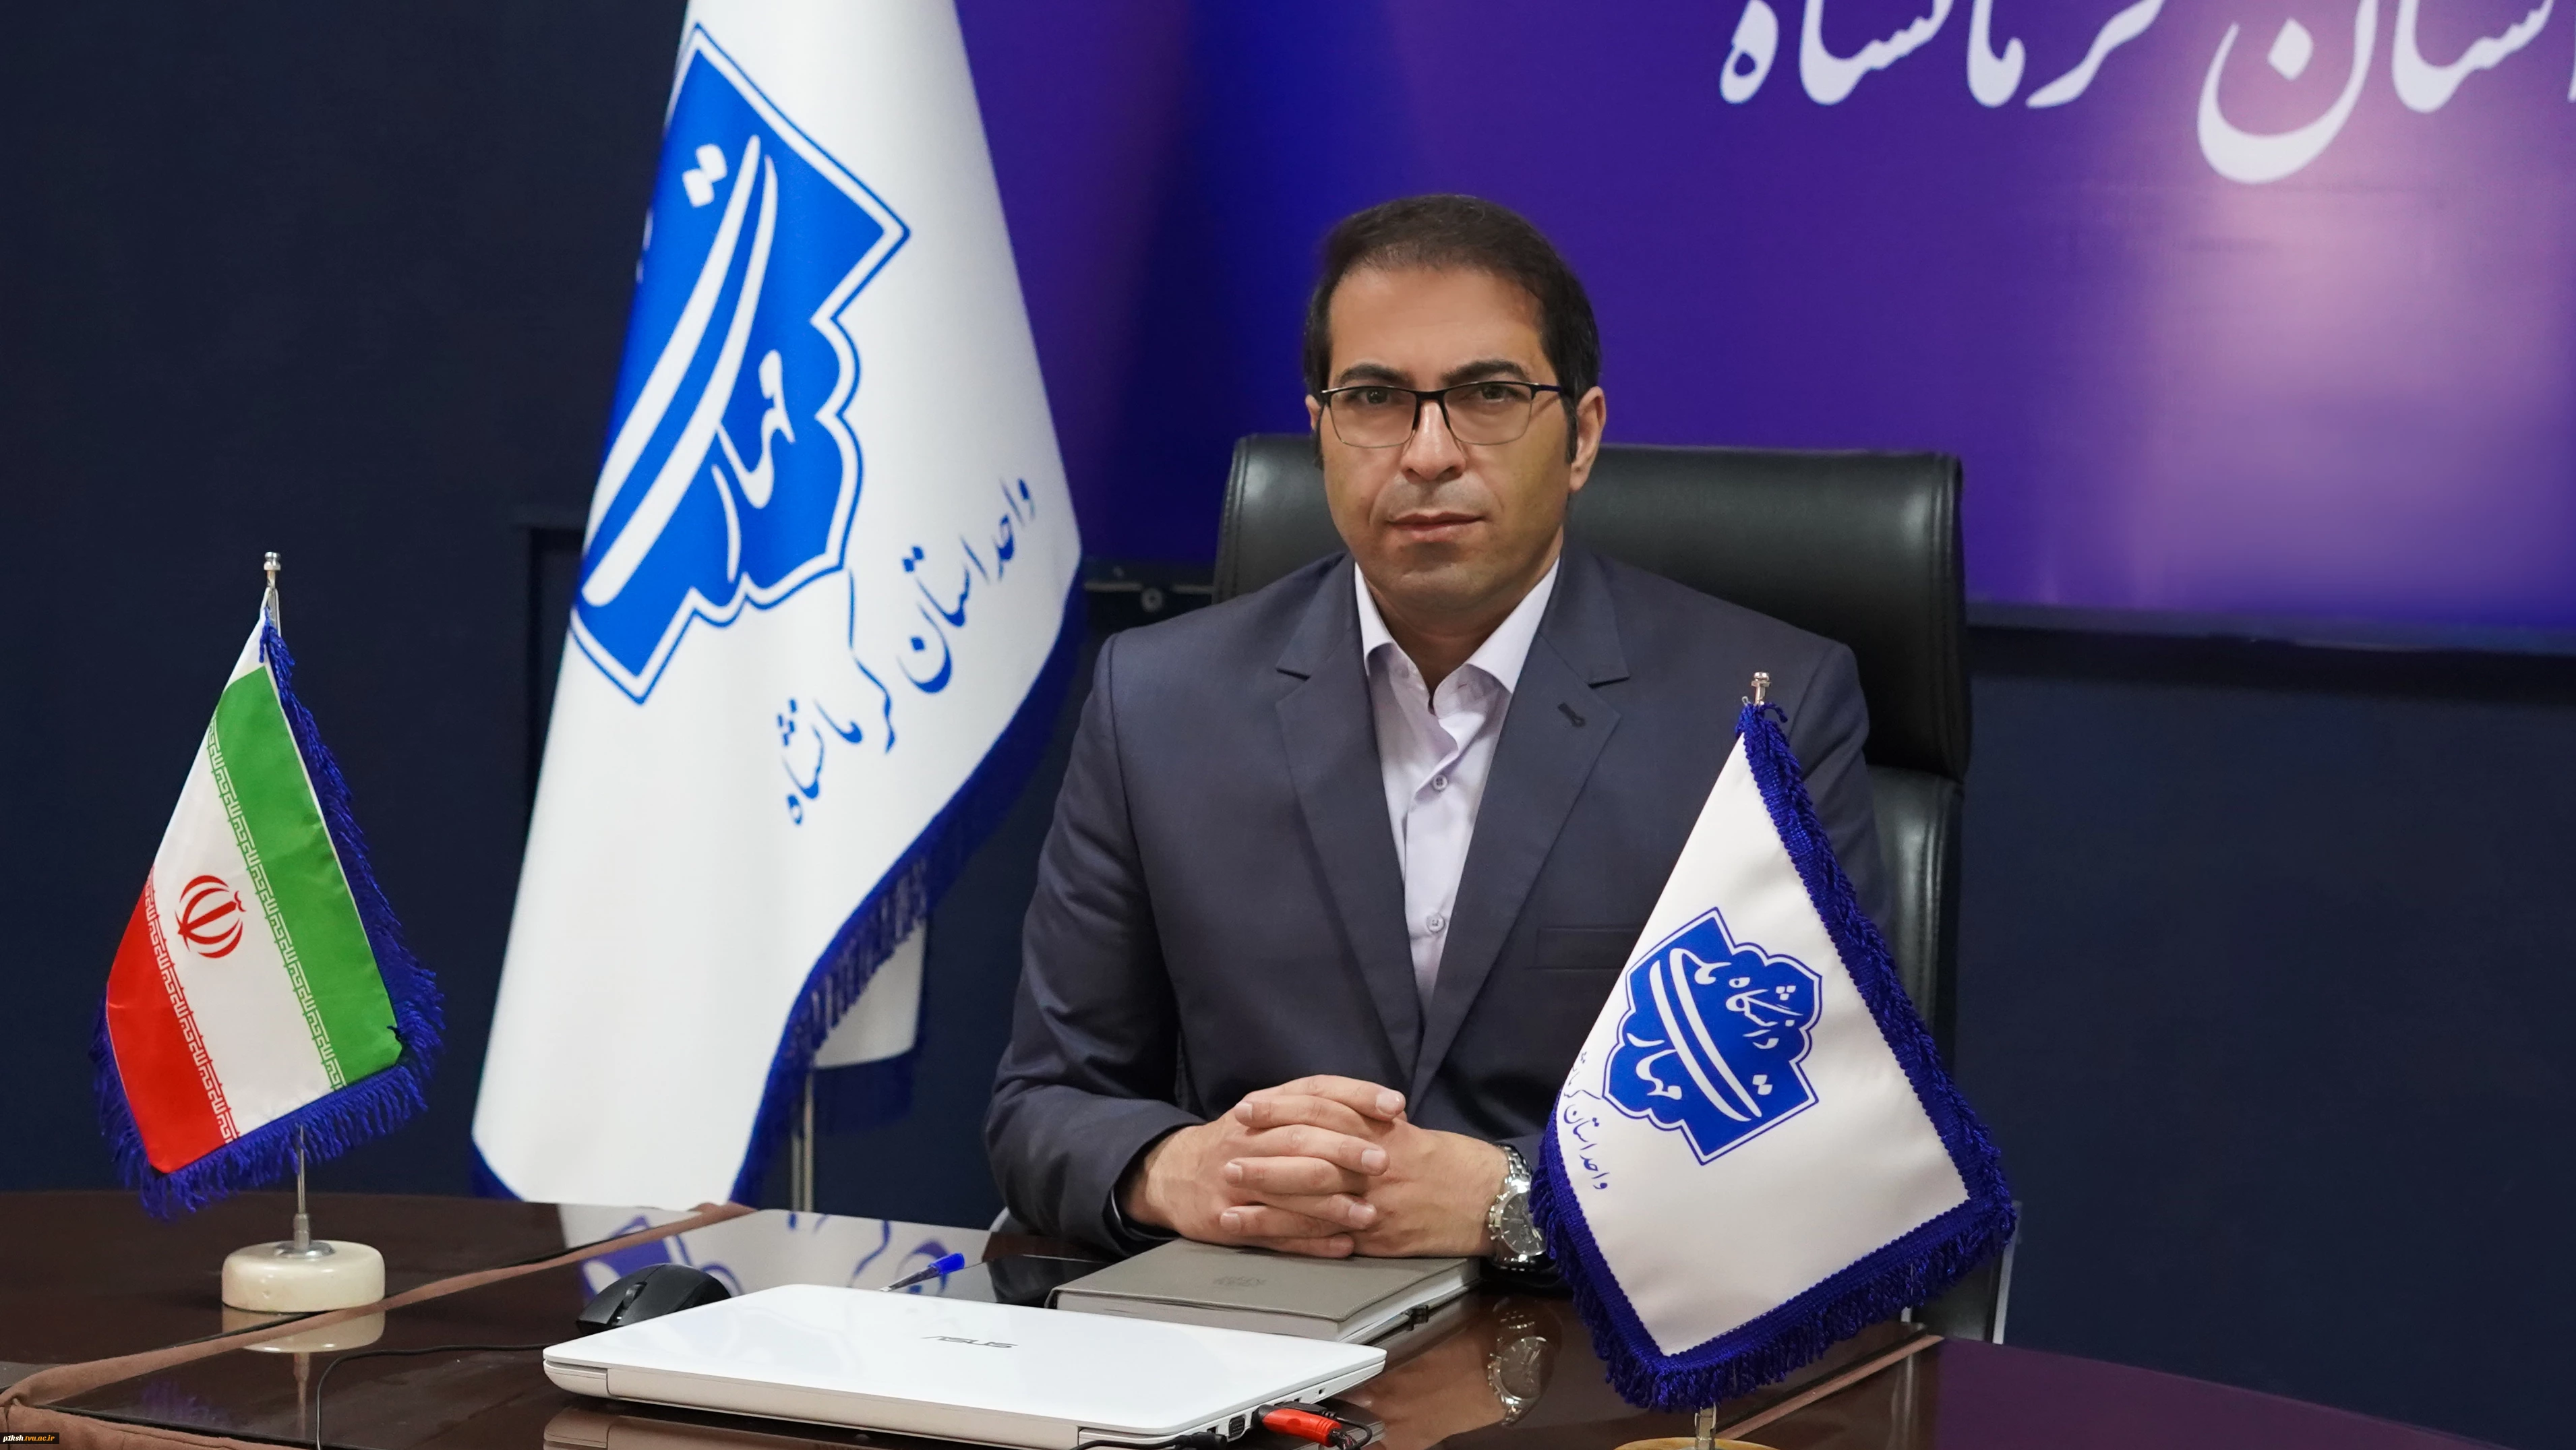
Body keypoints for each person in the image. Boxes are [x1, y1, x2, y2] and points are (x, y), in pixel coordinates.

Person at [986, 194, 1886, 1262]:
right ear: (1320, 431)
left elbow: (1825, 1136)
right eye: (1374, 399)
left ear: (1583, 435)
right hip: (1258, 1323)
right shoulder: (1159, 701)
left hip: (1600, 1340)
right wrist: (1179, 1167)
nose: (1427, 452)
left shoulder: (1759, 717)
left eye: (1488, 395)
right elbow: (1046, 1102)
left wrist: (1516, 1201)